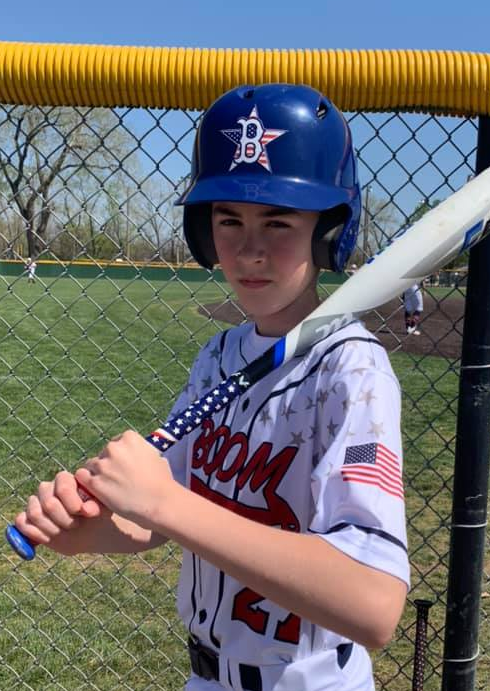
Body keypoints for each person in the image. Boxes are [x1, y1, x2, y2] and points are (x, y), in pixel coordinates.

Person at [14, 84, 409, 691]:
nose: (250, 249)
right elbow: (159, 517)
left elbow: (372, 602)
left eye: (278, 221)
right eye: (229, 220)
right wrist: (89, 532)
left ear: (327, 232)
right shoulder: (219, 355)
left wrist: (165, 503)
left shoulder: (351, 370)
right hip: (205, 676)